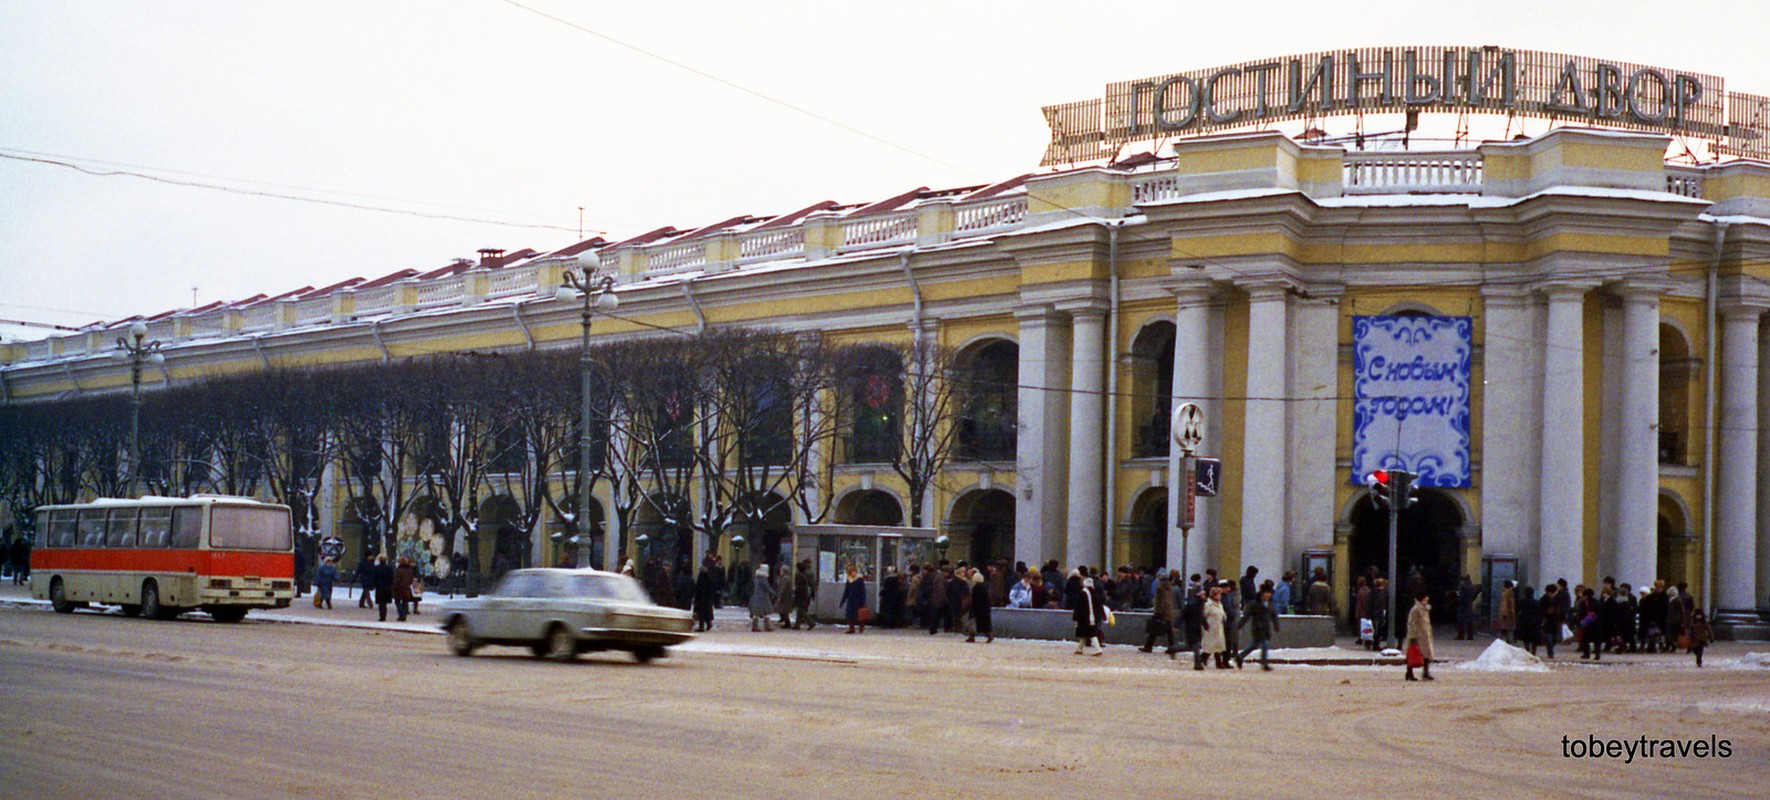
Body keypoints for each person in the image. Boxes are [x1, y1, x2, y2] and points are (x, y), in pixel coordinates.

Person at [1236, 587, 1281, 671]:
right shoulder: (1254, 604)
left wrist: (1276, 625)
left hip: (1266, 628)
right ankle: (1264, 664)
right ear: (1262, 594)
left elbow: (1274, 616)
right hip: (1257, 628)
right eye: (1266, 593)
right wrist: (1239, 625)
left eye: (1269, 593)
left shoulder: (1270, 604)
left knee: (1253, 645)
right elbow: (1246, 616)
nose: (1268, 595)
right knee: (1265, 644)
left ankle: (1240, 656)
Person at [1141, 573, 1176, 654]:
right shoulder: (1169, 587)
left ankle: (1148, 647)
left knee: (1154, 629)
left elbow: (1160, 602)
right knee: (1169, 631)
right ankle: (1171, 648)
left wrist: (1158, 612)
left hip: (1162, 612)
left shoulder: (1160, 587)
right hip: (1168, 611)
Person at [1072, 575, 1106, 656]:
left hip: (1085, 617)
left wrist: (1076, 617)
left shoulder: (1083, 593)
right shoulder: (1094, 593)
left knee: (1091, 634)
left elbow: (1079, 606)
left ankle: (1098, 649)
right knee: (1086, 633)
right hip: (1093, 617)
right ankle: (1079, 649)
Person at [1405, 590, 1435, 682]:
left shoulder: (1425, 609)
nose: (1426, 602)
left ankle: (1425, 672)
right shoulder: (1416, 609)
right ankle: (1409, 672)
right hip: (1418, 636)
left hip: (1425, 636)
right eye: (1425, 600)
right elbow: (1411, 623)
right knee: (1414, 654)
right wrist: (1413, 636)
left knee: (1426, 655)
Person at [1199, 585, 1229, 670]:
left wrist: (1224, 618)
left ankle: (1218, 663)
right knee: (1210, 646)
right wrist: (1205, 625)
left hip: (1219, 627)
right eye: (1217, 594)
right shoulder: (1208, 604)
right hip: (1210, 628)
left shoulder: (1219, 604)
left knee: (1218, 646)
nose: (1219, 596)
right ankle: (1203, 658)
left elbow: (1222, 614)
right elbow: (1203, 615)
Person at [1539, 583, 1565, 659]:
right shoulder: (1544, 598)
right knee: (1548, 637)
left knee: (1556, 638)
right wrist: (1545, 612)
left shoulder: (1559, 598)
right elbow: (1540, 608)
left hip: (1556, 620)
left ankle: (1550, 647)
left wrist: (1563, 618)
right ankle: (1550, 652)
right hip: (1547, 620)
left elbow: (1562, 609)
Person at [840, 565, 868, 635]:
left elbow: (863, 591)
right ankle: (851, 628)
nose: (853, 573)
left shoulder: (859, 580)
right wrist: (843, 601)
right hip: (851, 600)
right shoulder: (849, 580)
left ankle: (861, 626)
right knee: (849, 615)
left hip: (858, 600)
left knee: (859, 615)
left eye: (854, 572)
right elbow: (846, 591)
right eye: (851, 572)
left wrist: (863, 601)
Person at [748, 564, 776, 632]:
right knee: (765, 612)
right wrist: (774, 593)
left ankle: (755, 626)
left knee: (756, 613)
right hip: (763, 597)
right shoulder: (763, 578)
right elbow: (767, 587)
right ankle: (767, 626)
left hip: (756, 596)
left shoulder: (757, 578)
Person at [967, 569, 993, 643]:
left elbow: (974, 600)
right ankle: (989, 635)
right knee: (985, 624)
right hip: (984, 610)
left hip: (977, 609)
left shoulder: (975, 589)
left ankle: (972, 636)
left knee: (972, 622)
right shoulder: (985, 588)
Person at [1515, 585, 1541, 655]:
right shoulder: (1536, 602)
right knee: (1534, 638)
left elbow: (1517, 609)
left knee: (1526, 638)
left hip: (1525, 621)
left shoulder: (1522, 601)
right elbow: (1540, 612)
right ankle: (1534, 652)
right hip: (1535, 621)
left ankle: (1527, 650)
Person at [792, 559, 818, 630]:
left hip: (802, 594)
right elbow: (813, 583)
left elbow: (799, 586)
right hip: (807, 593)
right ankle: (797, 624)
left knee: (802, 609)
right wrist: (813, 593)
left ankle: (810, 622)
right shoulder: (810, 572)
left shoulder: (802, 574)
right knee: (802, 608)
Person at [1456, 574, 1481, 640]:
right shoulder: (1472, 586)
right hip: (1469, 604)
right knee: (1470, 621)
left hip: (1463, 605)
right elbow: (1474, 595)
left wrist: (1458, 600)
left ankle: (1461, 636)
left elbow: (1461, 596)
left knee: (1461, 621)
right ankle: (1470, 636)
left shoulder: (1463, 586)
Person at [692, 566, 717, 632]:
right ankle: (709, 624)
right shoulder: (708, 579)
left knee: (701, 614)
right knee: (707, 613)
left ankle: (701, 627)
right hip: (707, 600)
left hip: (701, 600)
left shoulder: (700, 579)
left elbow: (698, 590)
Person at [371, 554, 395, 622]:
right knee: (384, 602)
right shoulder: (389, 568)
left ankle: (382, 616)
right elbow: (392, 578)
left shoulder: (376, 568)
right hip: (387, 587)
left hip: (379, 587)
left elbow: (374, 577)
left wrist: (374, 584)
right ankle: (383, 615)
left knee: (381, 603)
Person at [392, 556, 416, 622]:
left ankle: (401, 614)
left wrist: (394, 587)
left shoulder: (398, 570)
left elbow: (396, 580)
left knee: (397, 601)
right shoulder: (410, 570)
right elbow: (411, 580)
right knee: (405, 601)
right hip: (407, 588)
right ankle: (404, 614)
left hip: (399, 588)